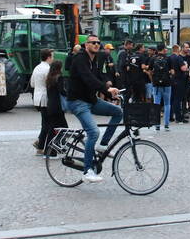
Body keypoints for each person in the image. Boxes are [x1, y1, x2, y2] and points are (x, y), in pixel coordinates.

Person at [65, 34, 122, 183]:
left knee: (118, 112)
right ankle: (87, 171)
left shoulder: (95, 60)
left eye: (98, 42)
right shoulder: (79, 59)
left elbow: (98, 79)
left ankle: (103, 146)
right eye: (93, 42)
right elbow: (88, 79)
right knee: (93, 132)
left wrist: (111, 93)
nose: (96, 44)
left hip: (91, 100)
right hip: (78, 102)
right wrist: (106, 89)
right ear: (86, 45)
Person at [42, 60, 69, 154]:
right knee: (63, 128)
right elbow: (62, 91)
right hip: (58, 107)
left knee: (53, 129)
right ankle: (53, 150)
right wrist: (70, 95)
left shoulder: (49, 78)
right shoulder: (59, 77)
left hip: (50, 106)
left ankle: (50, 150)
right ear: (59, 68)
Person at [31, 48, 54, 153]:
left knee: (45, 122)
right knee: (47, 123)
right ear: (48, 57)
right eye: (52, 56)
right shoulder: (48, 68)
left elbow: (32, 84)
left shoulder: (37, 67)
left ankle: (40, 144)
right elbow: (49, 84)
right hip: (45, 97)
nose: (53, 59)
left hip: (37, 97)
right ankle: (41, 146)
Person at [150, 44, 174, 131]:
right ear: (163, 49)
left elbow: (150, 70)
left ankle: (157, 125)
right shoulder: (168, 58)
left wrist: (153, 79)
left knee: (157, 104)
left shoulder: (153, 58)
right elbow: (172, 71)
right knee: (167, 104)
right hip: (167, 84)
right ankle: (166, 125)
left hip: (156, 84)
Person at [168, 44, 189, 124]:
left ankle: (170, 116)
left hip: (172, 80)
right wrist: (186, 65)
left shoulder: (169, 57)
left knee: (172, 99)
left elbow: (169, 69)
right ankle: (179, 118)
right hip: (179, 80)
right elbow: (183, 68)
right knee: (177, 99)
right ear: (178, 49)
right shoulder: (178, 58)